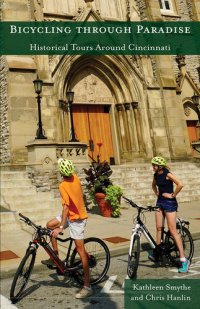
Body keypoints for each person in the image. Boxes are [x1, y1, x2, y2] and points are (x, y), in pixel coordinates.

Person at [41, 158, 93, 299]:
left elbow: (65, 207)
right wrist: (59, 225)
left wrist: (62, 227)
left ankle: (87, 286)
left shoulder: (63, 185)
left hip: (77, 219)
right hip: (71, 215)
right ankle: (56, 258)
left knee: (81, 251)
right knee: (50, 226)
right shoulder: (75, 177)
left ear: (61, 172)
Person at [149, 156, 190, 273]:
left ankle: (183, 260)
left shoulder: (167, 174)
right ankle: (157, 253)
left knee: (172, 230)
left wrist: (172, 195)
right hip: (160, 202)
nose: (152, 167)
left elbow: (180, 184)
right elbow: (153, 185)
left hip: (170, 203)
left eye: (154, 165)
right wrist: (157, 193)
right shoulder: (155, 175)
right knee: (158, 228)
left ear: (159, 166)